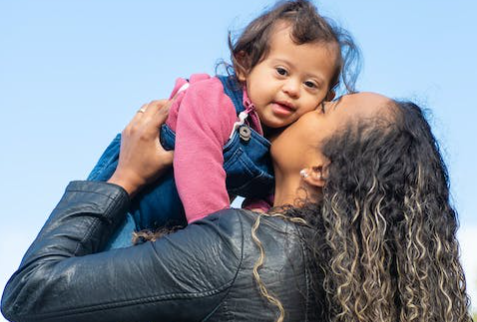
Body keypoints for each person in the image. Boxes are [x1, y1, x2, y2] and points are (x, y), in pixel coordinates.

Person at [1, 93, 472, 322]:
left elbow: (28, 295)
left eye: (328, 107)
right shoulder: (347, 281)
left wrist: (125, 177)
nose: (309, 102)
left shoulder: (243, 249)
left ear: (320, 171)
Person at [87, 0, 360, 249]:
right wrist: (220, 236)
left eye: (310, 84)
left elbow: (267, 195)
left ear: (326, 97)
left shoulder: (278, 141)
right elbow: (198, 164)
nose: (292, 89)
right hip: (132, 207)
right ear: (245, 64)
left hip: (175, 228)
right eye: (282, 72)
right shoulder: (213, 100)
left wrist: (258, 220)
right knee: (99, 264)